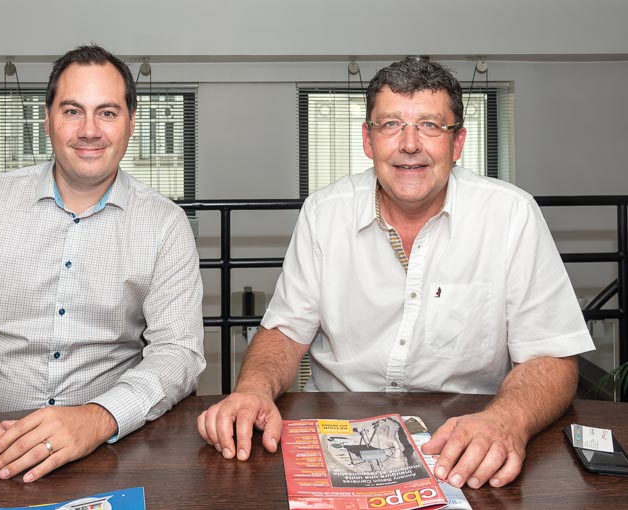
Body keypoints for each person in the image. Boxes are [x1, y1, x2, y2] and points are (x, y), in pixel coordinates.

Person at [198, 58, 594, 490]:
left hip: (466, 437)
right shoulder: (324, 213)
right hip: (337, 429)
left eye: (429, 125)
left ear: (457, 142)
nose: (409, 145)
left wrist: (506, 420)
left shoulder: (512, 214)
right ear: (368, 141)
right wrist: (253, 389)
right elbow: (285, 332)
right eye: (390, 125)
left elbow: (551, 356)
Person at [0, 45, 205, 483]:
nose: (89, 130)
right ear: (47, 119)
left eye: (107, 112)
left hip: (108, 454)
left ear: (131, 123)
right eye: (72, 111)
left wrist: (98, 418)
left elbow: (178, 352)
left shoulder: (165, 225)